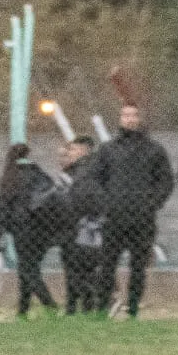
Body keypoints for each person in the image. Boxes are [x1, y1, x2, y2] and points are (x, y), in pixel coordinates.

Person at [91, 103, 174, 318]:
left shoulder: (154, 150)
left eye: (133, 115)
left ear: (139, 118)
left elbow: (165, 182)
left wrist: (151, 204)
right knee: (107, 264)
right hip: (114, 219)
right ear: (120, 118)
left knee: (138, 266)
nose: (129, 119)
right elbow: (95, 180)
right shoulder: (108, 150)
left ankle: (133, 308)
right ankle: (102, 307)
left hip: (142, 220)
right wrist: (106, 204)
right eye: (125, 115)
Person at [0, 143, 58, 319]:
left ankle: (49, 304)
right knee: (28, 268)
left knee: (28, 270)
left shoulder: (10, 178)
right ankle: (23, 310)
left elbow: (2, 210)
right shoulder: (39, 174)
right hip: (44, 230)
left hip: (22, 230)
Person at [59, 135, 105, 315]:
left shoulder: (86, 171)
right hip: (78, 225)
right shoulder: (77, 171)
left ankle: (87, 304)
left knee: (81, 267)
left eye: (73, 150)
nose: (69, 154)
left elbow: (83, 198)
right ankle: (81, 305)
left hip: (83, 226)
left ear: (84, 150)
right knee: (79, 268)